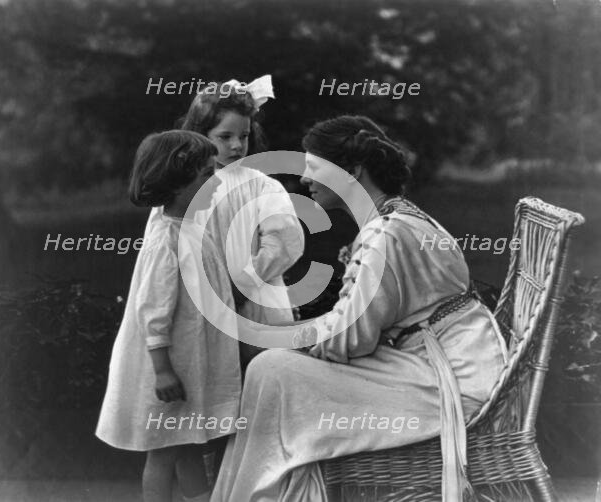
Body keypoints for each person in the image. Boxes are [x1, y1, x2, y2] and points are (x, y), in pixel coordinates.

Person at [210, 115, 508, 502]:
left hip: (452, 380)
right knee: (276, 369)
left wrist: (292, 339)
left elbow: (349, 338)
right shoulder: (399, 218)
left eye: (314, 168)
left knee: (273, 369)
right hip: (445, 358)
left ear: (352, 171)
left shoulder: (386, 234)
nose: (304, 180)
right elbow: (358, 324)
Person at [95, 130, 241, 502]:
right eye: (206, 175)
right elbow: (153, 309)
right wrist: (161, 369)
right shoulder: (166, 239)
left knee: (189, 442)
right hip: (171, 365)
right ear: (178, 182)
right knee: (163, 453)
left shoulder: (191, 227)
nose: (215, 181)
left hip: (193, 360)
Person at [146, 76, 304, 338]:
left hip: (255, 300)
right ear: (200, 135)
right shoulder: (182, 188)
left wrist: (241, 287)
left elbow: (284, 241)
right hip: (200, 301)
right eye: (225, 136)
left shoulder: (262, 187)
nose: (236, 145)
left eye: (243, 136)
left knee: (259, 366)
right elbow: (162, 241)